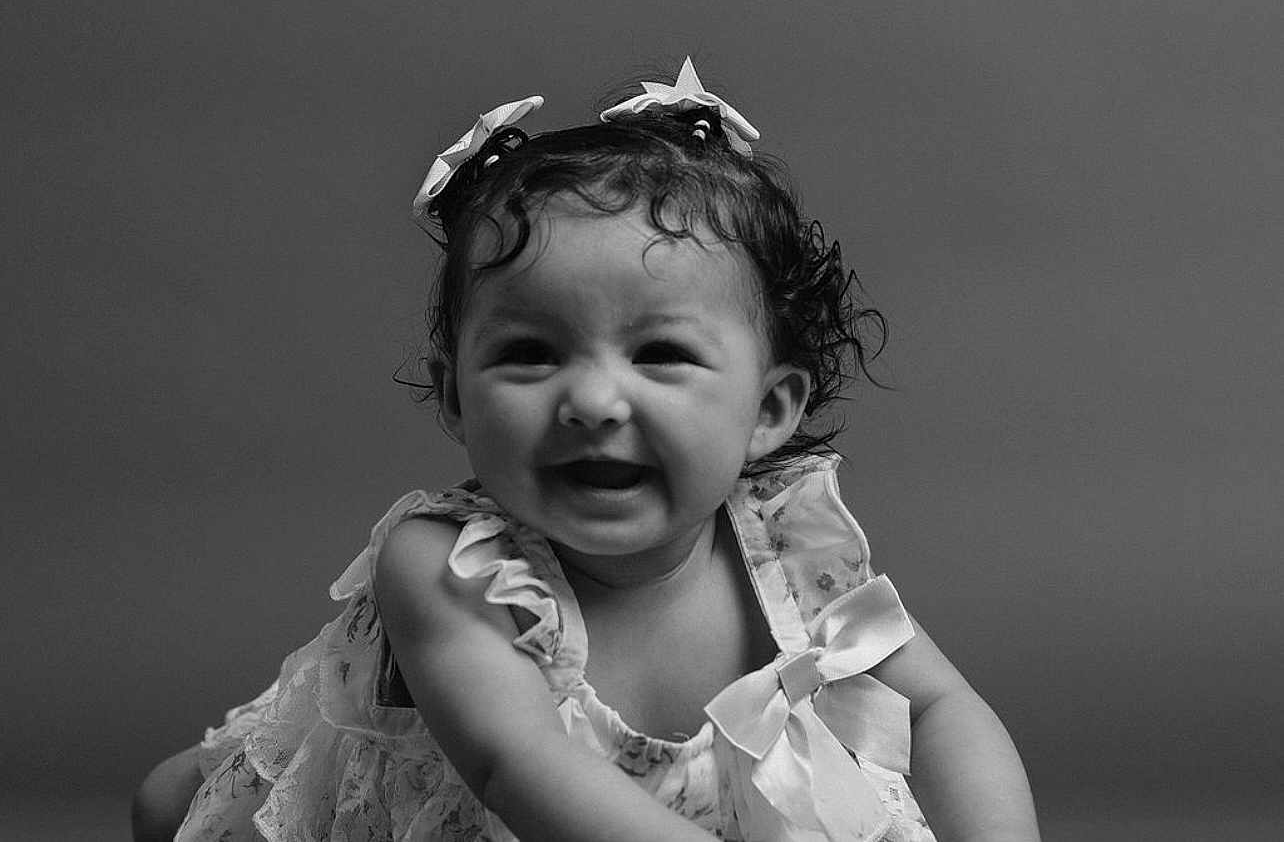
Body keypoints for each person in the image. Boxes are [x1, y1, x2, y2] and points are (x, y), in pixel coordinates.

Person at [133, 59, 1041, 842]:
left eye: (660, 355)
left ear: (768, 412)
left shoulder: (788, 549)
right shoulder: (451, 569)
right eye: (530, 354)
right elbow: (515, 767)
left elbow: (939, 708)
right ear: (456, 396)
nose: (594, 402)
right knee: (190, 805)